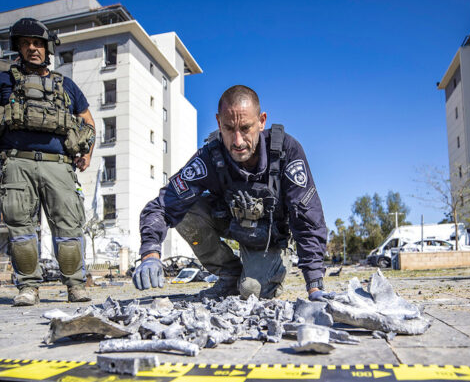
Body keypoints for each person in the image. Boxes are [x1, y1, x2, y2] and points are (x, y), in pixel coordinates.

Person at [133, 85, 328, 300]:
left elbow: (308, 219)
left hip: (270, 237)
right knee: (183, 210)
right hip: (232, 224)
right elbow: (162, 206)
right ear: (218, 123)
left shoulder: (286, 152)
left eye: (245, 128)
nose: (237, 141)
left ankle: (260, 272)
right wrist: (150, 253)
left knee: (251, 291)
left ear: (262, 121)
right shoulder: (209, 157)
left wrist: (314, 286)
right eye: (228, 128)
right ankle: (228, 273)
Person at [0, 18, 95, 306]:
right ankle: (28, 287)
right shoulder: (2, 81)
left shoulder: (66, 85)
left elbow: (88, 121)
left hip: (59, 165)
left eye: (38, 43)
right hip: (17, 163)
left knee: (69, 226)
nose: (32, 48)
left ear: (47, 48)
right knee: (20, 227)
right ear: (18, 48)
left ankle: (75, 285)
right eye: (26, 44)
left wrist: (86, 153)